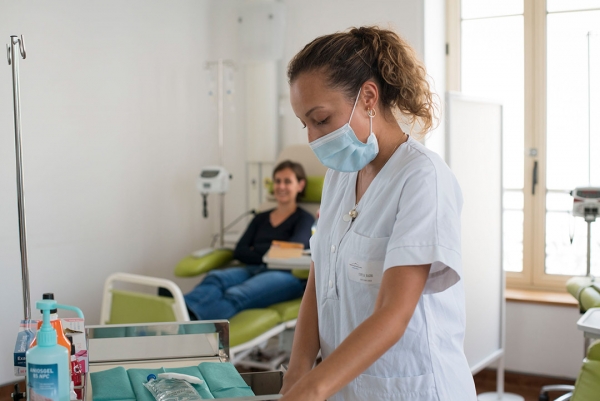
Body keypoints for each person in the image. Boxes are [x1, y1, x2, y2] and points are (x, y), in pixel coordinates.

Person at [279, 26, 477, 401]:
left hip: (411, 387)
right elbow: (320, 277)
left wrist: (314, 388)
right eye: (305, 124)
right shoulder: (340, 175)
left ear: (368, 97)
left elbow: (393, 313)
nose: (313, 139)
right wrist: (297, 373)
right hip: (347, 387)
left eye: (321, 120)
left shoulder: (422, 178)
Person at [184, 160, 315, 320]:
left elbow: (291, 251)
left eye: (287, 181)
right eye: (278, 181)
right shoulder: (260, 218)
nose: (281, 186)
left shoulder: (304, 220)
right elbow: (240, 250)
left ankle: (191, 327)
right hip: (250, 269)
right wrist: (271, 252)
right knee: (215, 278)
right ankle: (180, 314)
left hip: (286, 275)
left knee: (237, 293)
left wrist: (257, 249)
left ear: (300, 185)